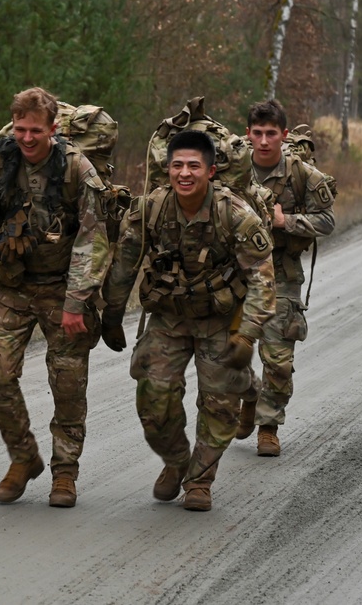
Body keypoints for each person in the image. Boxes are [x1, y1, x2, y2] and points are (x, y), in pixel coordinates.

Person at [101, 130, 276, 511]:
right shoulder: (150, 209)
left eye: (193, 166)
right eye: (177, 165)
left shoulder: (235, 214)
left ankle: (200, 480)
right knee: (154, 401)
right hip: (169, 318)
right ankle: (177, 461)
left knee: (219, 404)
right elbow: (124, 265)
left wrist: (247, 336)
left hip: (219, 319)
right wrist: (112, 315)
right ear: (167, 169)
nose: (184, 173)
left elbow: (263, 278)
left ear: (210, 171)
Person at [0, 87, 110, 508]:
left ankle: (65, 474)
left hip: (63, 289)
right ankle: (24, 457)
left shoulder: (77, 169)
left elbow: (92, 242)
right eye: (20, 129)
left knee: (67, 382)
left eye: (35, 131)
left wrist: (77, 302)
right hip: (14, 289)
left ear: (53, 129)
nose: (26, 138)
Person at [236, 100, 336, 456]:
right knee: (227, 355)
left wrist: (286, 222)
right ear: (248, 134)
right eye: (258, 133)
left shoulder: (302, 175)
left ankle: (268, 426)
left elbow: (327, 221)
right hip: (236, 275)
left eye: (271, 134)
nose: (264, 141)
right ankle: (249, 395)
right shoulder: (232, 169)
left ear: (284, 135)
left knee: (278, 359)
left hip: (282, 273)